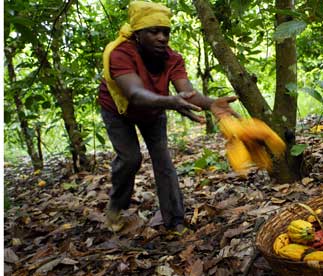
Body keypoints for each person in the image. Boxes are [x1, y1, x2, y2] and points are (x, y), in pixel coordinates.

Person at [98, 1, 239, 235]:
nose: (162, 38)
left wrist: (211, 103)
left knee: (163, 160)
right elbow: (134, 94)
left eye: (165, 32)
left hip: (154, 110)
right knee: (130, 158)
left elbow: (188, 92)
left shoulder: (172, 58)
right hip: (118, 110)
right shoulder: (120, 53)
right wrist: (171, 102)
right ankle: (117, 205)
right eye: (154, 32)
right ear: (138, 34)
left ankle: (175, 220)